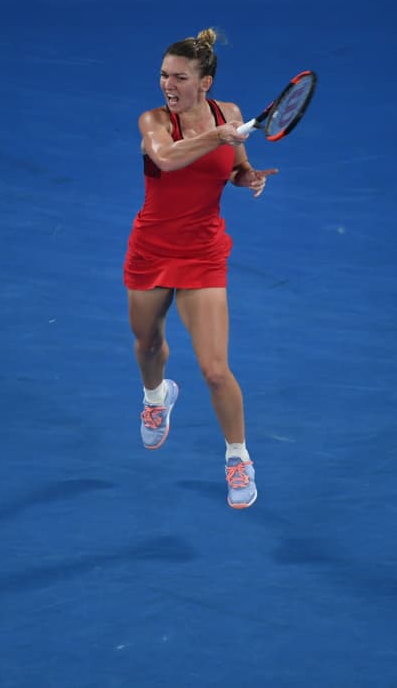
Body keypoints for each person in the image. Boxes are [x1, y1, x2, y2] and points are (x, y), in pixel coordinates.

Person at [123, 27, 278, 510]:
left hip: (203, 251)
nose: (168, 86)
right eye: (164, 76)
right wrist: (216, 137)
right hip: (151, 248)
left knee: (214, 370)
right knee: (149, 345)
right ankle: (156, 397)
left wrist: (244, 175)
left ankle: (238, 457)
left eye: (180, 78)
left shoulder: (228, 115)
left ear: (205, 83)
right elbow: (167, 161)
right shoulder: (153, 121)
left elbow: (233, 164)